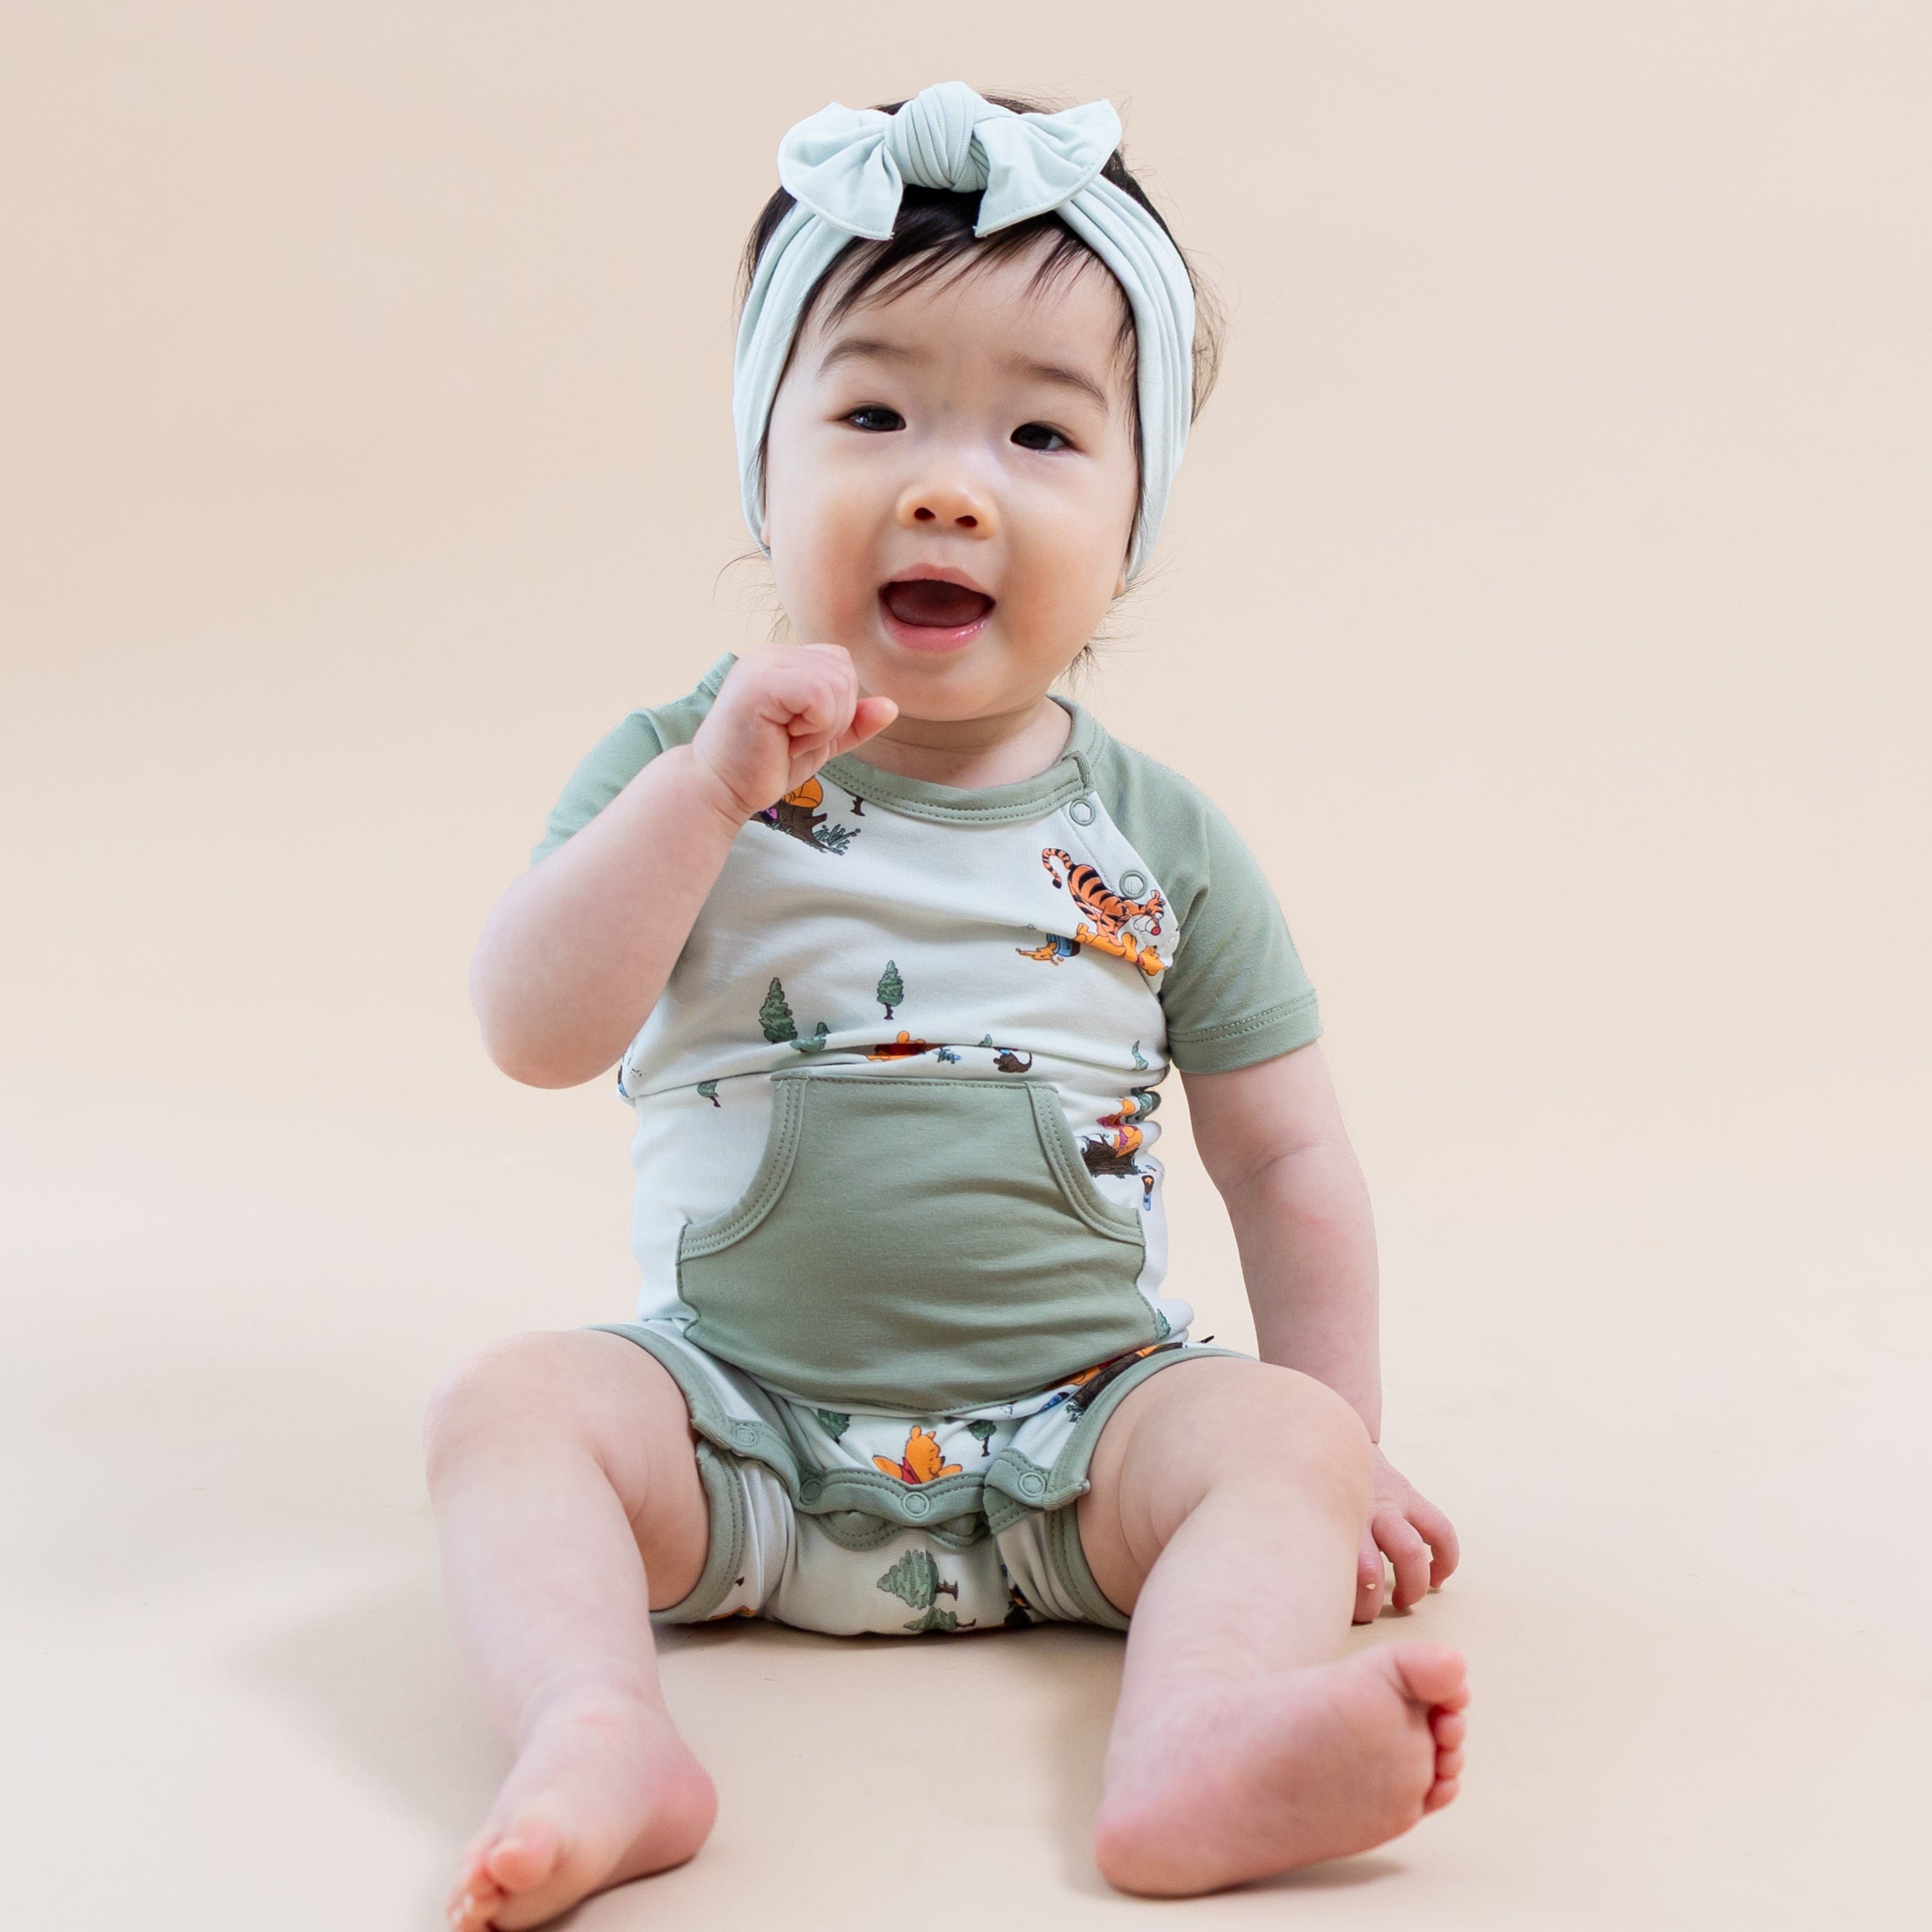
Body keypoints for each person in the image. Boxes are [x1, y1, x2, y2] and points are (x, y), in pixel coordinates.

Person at [432, 82, 1467, 1931]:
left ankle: (1202, 1738)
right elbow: (532, 1024)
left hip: (1085, 1440)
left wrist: (1343, 1444)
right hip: (735, 1430)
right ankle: (599, 1728)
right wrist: (705, 798)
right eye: (875, 410)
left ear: (1142, 516)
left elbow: (1290, 1153)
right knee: (509, 1412)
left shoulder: (1159, 839)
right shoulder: (686, 766)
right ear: (766, 460)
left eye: (1042, 432)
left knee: (1285, 1439)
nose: (946, 479)